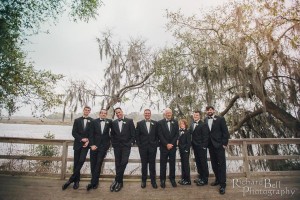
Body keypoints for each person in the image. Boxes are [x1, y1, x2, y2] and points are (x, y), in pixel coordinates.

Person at [62, 106, 93, 190]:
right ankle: (76, 181)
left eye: (88, 110)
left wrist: (88, 141)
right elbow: (73, 133)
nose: (87, 111)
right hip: (77, 144)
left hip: (86, 145)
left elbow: (93, 133)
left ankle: (70, 179)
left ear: (89, 112)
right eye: (85, 110)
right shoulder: (77, 120)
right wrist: (81, 139)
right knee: (76, 163)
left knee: (81, 160)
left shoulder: (92, 121)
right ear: (83, 110)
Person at [109, 107, 135, 192]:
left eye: (119, 112)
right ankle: (120, 182)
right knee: (117, 163)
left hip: (126, 146)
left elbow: (133, 134)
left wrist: (131, 142)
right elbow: (112, 134)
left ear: (122, 112)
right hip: (117, 146)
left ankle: (116, 180)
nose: (118, 114)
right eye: (116, 113)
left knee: (124, 162)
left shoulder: (129, 121)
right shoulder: (114, 122)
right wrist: (113, 143)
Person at [205, 106, 229, 195]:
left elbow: (225, 132)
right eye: (208, 110)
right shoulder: (205, 120)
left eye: (211, 110)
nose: (209, 111)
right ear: (206, 112)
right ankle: (217, 180)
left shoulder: (220, 119)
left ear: (213, 111)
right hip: (210, 146)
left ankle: (223, 185)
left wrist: (224, 144)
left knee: (221, 165)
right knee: (214, 164)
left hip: (219, 146)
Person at [86, 109, 112, 191]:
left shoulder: (109, 122)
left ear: (106, 115)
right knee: (93, 164)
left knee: (98, 163)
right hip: (94, 146)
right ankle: (94, 182)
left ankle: (93, 183)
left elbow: (114, 132)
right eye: (102, 113)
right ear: (99, 114)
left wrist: (108, 144)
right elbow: (91, 134)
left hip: (103, 147)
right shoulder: (94, 122)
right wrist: (92, 145)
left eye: (105, 113)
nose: (104, 114)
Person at [136, 109, 159, 189]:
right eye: (146, 113)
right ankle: (143, 181)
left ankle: (153, 181)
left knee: (152, 165)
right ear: (144, 114)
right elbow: (137, 136)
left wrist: (155, 144)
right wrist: (140, 145)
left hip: (153, 148)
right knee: (144, 165)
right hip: (143, 148)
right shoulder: (139, 123)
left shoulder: (155, 123)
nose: (147, 114)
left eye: (148, 113)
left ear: (150, 114)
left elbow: (157, 135)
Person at [158, 108, 179, 188]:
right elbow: (160, 135)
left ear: (171, 113)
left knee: (172, 163)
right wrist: (166, 144)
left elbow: (177, 134)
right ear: (165, 114)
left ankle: (172, 179)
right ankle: (162, 180)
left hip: (173, 147)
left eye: (170, 112)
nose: (168, 114)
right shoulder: (160, 123)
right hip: (163, 147)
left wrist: (171, 144)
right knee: (163, 164)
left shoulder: (175, 122)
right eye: (167, 113)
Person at [189, 111, 209, 186]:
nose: (195, 116)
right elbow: (190, 134)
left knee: (203, 163)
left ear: (200, 116)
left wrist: (204, 146)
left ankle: (205, 179)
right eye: (194, 115)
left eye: (197, 115)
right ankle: (200, 177)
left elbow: (206, 136)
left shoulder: (203, 124)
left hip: (201, 147)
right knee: (198, 162)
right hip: (195, 147)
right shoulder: (191, 124)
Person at [177, 119, 191, 185]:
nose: (181, 125)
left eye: (183, 124)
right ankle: (183, 178)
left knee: (186, 165)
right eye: (180, 124)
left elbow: (189, 142)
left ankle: (188, 180)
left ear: (185, 124)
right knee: (183, 165)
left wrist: (187, 150)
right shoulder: (179, 131)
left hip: (185, 151)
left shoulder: (187, 132)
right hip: (181, 150)